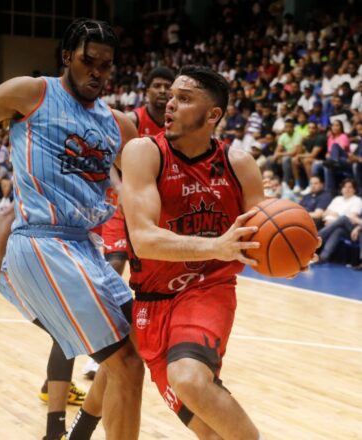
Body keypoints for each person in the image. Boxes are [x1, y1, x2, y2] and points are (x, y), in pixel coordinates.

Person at [0, 18, 143, 440]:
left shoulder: (119, 125)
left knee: (137, 348)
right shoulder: (32, 93)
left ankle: (73, 435)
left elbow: (146, 188)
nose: (97, 72)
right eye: (89, 61)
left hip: (85, 247)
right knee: (124, 362)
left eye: (106, 66)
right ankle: (63, 430)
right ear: (67, 57)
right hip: (41, 243)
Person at [121, 65, 317, 439]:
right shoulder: (144, 153)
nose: (170, 104)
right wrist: (218, 244)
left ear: (213, 115)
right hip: (151, 303)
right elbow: (144, 238)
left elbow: (262, 237)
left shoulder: (238, 164)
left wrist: (295, 256)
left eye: (184, 98)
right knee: (211, 432)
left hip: (208, 290)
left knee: (189, 379)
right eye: (171, 96)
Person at [85, 66, 174, 379]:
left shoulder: (174, 122)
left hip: (156, 206)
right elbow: (107, 158)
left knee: (154, 272)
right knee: (116, 262)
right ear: (146, 90)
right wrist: (122, 188)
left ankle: (155, 337)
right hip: (123, 203)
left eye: (168, 86)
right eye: (158, 86)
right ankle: (101, 347)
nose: (163, 91)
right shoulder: (133, 121)